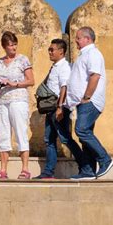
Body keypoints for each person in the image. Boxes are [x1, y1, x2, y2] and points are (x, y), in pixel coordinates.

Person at [66, 26, 113, 180]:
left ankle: (105, 160)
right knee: (85, 135)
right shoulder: (83, 55)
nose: (76, 40)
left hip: (90, 101)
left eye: (78, 38)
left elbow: (95, 76)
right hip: (83, 103)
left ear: (87, 39)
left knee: (81, 130)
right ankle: (88, 171)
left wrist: (86, 97)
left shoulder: (93, 54)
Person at [34, 39, 85, 180]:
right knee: (49, 140)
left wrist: (60, 107)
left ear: (61, 51)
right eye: (49, 49)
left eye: (52, 49)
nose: (49, 52)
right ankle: (48, 172)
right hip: (52, 109)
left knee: (66, 139)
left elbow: (64, 87)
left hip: (58, 108)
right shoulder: (55, 66)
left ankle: (85, 167)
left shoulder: (64, 67)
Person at [0, 31, 34, 180]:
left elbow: (31, 80)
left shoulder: (23, 60)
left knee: (20, 132)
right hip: (2, 100)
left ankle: (25, 169)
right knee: (3, 134)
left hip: (18, 99)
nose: (13, 48)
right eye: (10, 45)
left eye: (15, 44)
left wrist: (14, 83)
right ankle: (3, 170)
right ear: (4, 46)